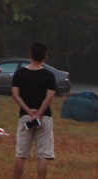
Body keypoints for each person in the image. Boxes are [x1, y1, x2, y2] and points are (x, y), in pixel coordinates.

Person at [12, 41, 57, 179]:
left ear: (30, 55)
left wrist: (28, 111)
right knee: (43, 155)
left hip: (26, 117)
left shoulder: (19, 74)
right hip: (44, 117)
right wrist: (39, 113)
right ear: (45, 57)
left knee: (21, 154)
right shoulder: (49, 76)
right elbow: (49, 98)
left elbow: (15, 95)